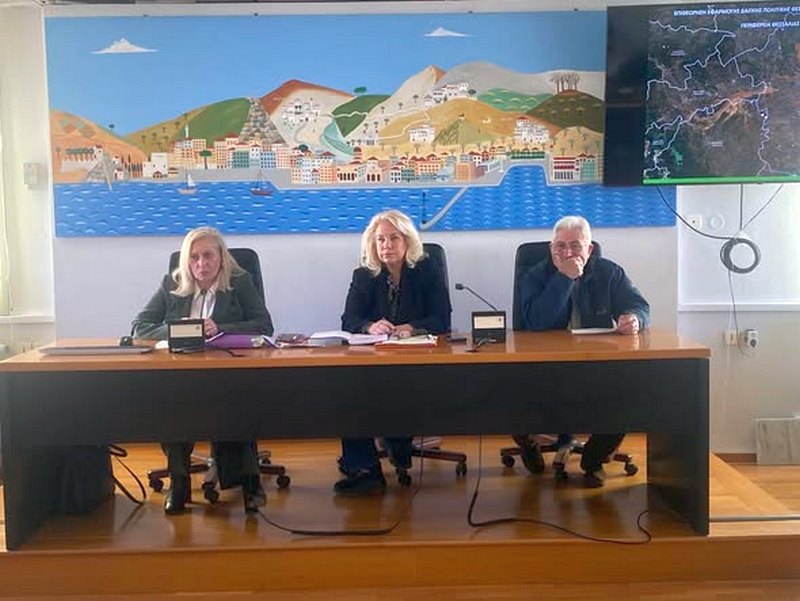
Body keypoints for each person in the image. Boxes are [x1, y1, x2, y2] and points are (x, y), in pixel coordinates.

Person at [132, 226, 274, 514]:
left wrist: (220, 327)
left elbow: (263, 325)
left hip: (228, 371)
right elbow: (140, 327)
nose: (201, 264)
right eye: (194, 257)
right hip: (181, 373)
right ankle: (179, 481)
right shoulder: (172, 284)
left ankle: (250, 483)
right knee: (171, 405)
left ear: (221, 257)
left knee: (239, 404)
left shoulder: (239, 282)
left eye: (208, 256)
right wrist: (180, 330)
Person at [517, 215, 650, 487]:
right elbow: (537, 322)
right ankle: (529, 445)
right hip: (543, 366)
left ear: (589, 249)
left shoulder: (609, 272)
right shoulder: (534, 276)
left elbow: (639, 305)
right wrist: (564, 279)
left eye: (575, 246)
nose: (567, 253)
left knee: (631, 393)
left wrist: (635, 319)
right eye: (560, 246)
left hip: (595, 364)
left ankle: (594, 459)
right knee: (505, 391)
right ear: (551, 249)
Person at [336, 209, 451, 494]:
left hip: (420, 363)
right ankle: (365, 470)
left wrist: (412, 328)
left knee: (398, 390)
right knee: (347, 389)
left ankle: (397, 443)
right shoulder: (364, 275)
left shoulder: (427, 271)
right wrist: (370, 326)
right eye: (380, 240)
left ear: (407, 241)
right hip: (376, 362)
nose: (386, 245)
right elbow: (349, 320)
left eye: (394, 238)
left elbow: (442, 319)